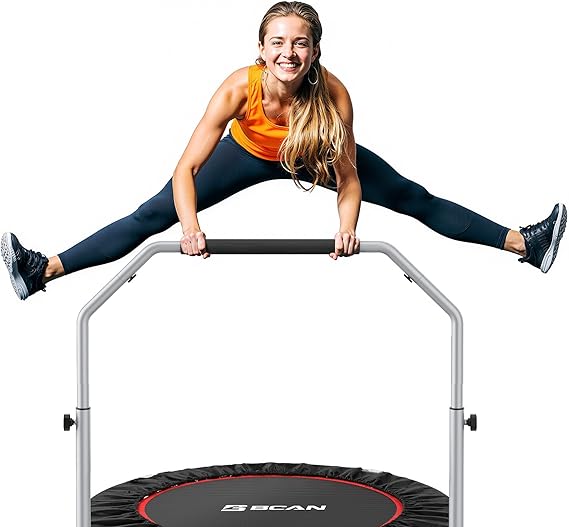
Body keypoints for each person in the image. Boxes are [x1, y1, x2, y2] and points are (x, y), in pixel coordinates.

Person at [2, 1, 566, 301]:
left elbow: (348, 178)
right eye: (278, 42)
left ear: (315, 51)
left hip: (312, 153)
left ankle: (526, 243)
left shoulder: (334, 95)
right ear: (261, 49)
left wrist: (346, 228)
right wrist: (191, 227)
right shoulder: (237, 88)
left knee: (413, 197)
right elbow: (186, 169)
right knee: (152, 215)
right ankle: (42, 271)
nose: (288, 53)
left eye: (300, 43)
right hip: (247, 153)